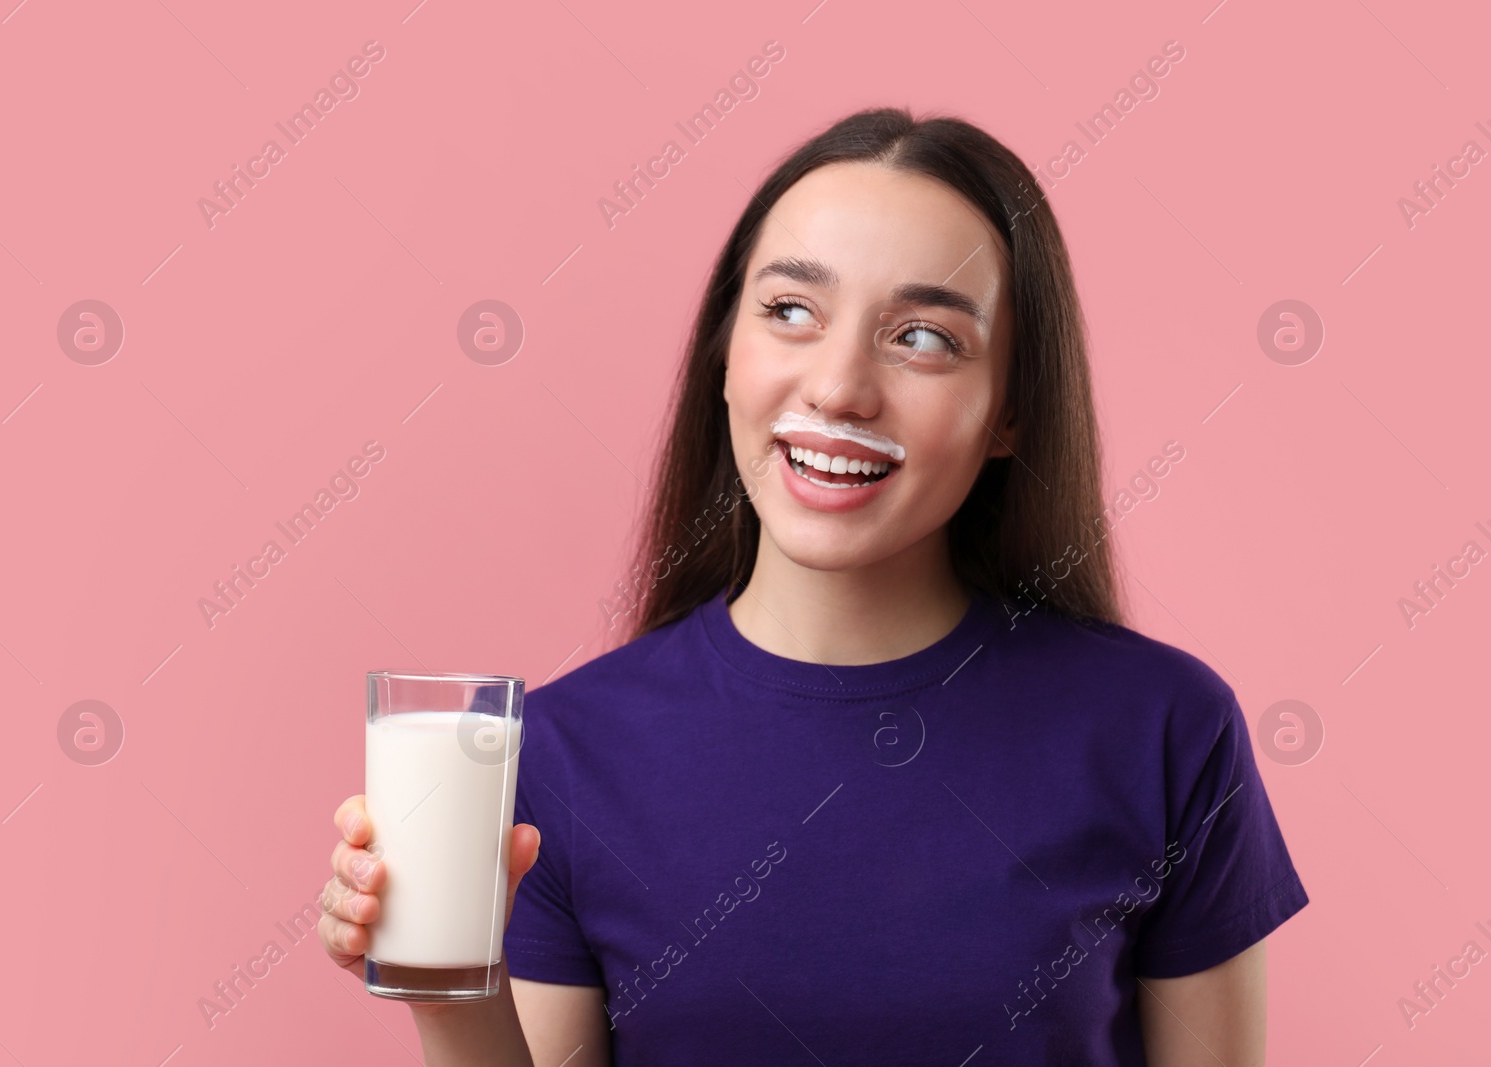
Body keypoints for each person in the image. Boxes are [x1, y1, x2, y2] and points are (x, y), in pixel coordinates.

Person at [318, 106, 1309, 1066]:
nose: (838, 386)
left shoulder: (1164, 729)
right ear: (725, 354)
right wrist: (448, 983)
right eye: (790, 310)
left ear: (1009, 412)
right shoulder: (563, 755)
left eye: (923, 336)